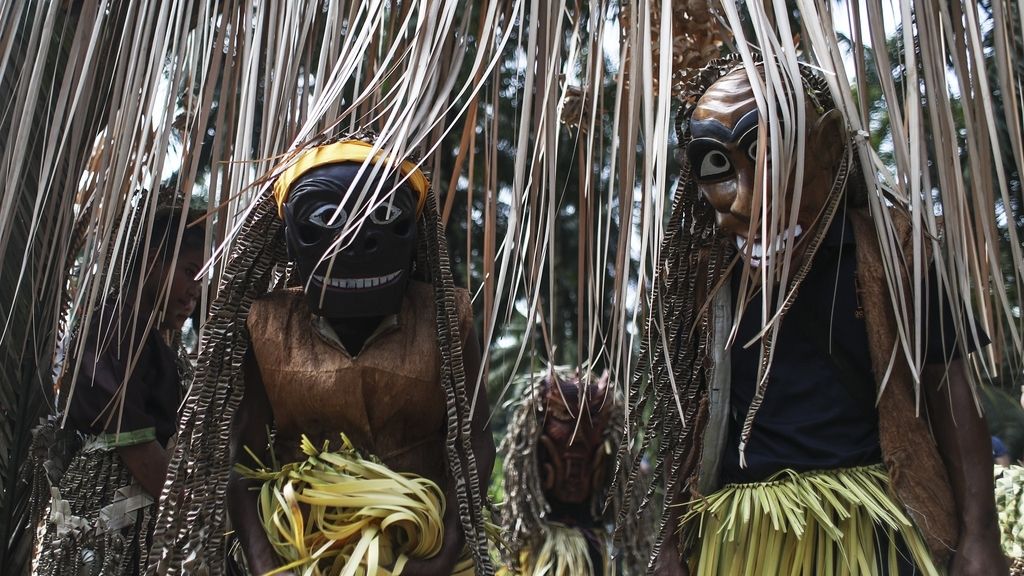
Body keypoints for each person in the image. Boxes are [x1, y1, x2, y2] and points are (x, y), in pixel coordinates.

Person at [615, 58, 1005, 576]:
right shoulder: (704, 281)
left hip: (872, 530)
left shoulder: (899, 254)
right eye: (717, 168)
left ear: (825, 144)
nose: (750, 203)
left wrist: (980, 534)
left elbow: (948, 387)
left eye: (771, 159)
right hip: (744, 536)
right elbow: (687, 417)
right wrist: (667, 544)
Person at [147, 136, 495, 576]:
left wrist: (440, 560)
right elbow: (244, 459)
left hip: (422, 551)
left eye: (384, 216)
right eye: (326, 218)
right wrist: (265, 562)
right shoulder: (266, 325)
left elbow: (476, 443)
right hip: (300, 550)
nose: (358, 242)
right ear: (291, 239)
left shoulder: (448, 319)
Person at [32, 205, 204, 576]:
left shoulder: (150, 339)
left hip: (130, 532)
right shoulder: (114, 326)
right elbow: (136, 445)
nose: (195, 292)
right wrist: (196, 518)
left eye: (202, 280)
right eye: (190, 272)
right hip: (103, 533)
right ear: (155, 260)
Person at [500, 368, 641, 576]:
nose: (579, 436)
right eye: (564, 415)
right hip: (542, 547)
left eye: (591, 419)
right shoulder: (530, 548)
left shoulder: (598, 553)